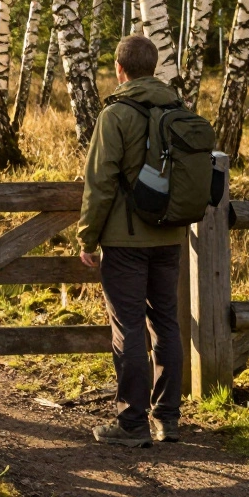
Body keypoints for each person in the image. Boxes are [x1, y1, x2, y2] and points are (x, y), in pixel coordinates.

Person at [77, 34, 186, 448]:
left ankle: (132, 425)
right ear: (154, 68)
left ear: (119, 70)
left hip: (125, 240)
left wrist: (87, 236)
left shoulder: (116, 114)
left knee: (129, 329)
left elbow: (100, 181)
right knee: (167, 324)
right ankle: (168, 419)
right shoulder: (177, 108)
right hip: (170, 235)